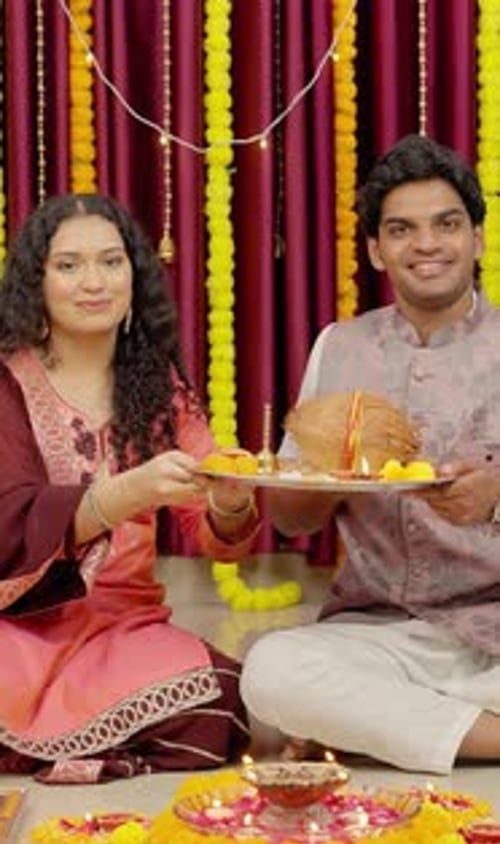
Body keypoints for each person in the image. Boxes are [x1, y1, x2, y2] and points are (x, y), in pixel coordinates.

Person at [241, 133, 500, 775]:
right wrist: (331, 476)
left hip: (493, 631)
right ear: (376, 251)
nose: (428, 245)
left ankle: (387, 727)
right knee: (272, 671)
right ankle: (477, 735)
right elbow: (293, 519)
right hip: (381, 633)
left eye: (446, 225)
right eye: (402, 230)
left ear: (477, 238)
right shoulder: (338, 346)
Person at [0, 193, 259, 783]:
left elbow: (218, 536)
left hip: (121, 627)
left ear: (134, 278)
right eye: (69, 265)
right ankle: (92, 748)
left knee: (221, 697)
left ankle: (53, 749)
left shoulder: (158, 385)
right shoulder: (7, 381)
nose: (94, 282)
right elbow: (5, 521)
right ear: (35, 282)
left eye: (111, 263)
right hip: (17, 621)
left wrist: (231, 499)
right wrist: (123, 494)